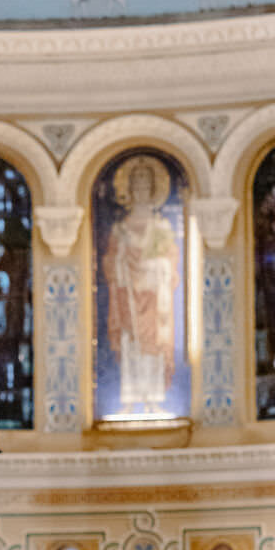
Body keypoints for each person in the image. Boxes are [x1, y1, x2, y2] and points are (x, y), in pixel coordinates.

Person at [101, 155, 180, 414]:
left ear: (154, 189)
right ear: (129, 189)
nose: (141, 189)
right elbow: (110, 263)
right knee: (130, 343)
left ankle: (153, 398)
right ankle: (130, 398)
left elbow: (171, 261)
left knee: (153, 346)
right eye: (136, 184)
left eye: (146, 184)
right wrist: (122, 263)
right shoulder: (120, 229)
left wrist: (157, 268)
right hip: (128, 295)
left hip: (155, 297)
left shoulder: (161, 227)